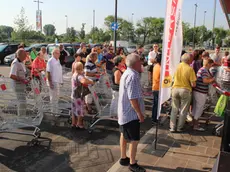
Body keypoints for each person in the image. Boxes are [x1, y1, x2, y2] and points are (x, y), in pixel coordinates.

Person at [118, 53, 146, 172]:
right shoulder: (133, 76)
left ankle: (124, 157)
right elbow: (133, 98)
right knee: (134, 139)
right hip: (131, 114)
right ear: (136, 64)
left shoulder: (127, 73)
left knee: (124, 135)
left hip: (124, 112)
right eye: (140, 61)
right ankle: (132, 163)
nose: (142, 63)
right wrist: (139, 114)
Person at [170, 53, 197, 132]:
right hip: (185, 90)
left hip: (175, 89)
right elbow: (193, 84)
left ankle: (172, 127)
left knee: (174, 109)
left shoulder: (176, 67)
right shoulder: (190, 69)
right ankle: (179, 128)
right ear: (189, 60)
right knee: (183, 110)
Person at [192, 59, 215, 131]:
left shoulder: (201, 69)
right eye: (211, 64)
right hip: (201, 92)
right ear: (208, 64)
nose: (212, 66)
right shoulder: (204, 71)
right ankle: (196, 125)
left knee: (196, 107)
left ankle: (194, 122)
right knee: (199, 108)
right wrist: (212, 79)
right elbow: (205, 81)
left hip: (197, 91)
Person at [71, 62, 94, 129]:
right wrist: (91, 82)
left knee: (74, 110)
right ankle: (79, 124)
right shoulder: (79, 75)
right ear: (81, 67)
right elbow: (83, 81)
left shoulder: (74, 74)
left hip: (73, 94)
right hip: (78, 96)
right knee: (80, 110)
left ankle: (73, 123)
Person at [9, 49, 29, 116]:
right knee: (22, 102)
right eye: (25, 55)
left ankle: (22, 116)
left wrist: (27, 78)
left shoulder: (21, 62)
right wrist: (21, 79)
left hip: (22, 85)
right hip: (17, 86)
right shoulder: (15, 63)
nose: (26, 56)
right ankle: (21, 117)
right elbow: (11, 75)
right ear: (20, 55)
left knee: (23, 102)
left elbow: (24, 72)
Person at [47, 48, 63, 114]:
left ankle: (56, 110)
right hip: (53, 81)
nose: (59, 54)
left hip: (57, 81)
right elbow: (48, 72)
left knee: (57, 97)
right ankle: (53, 111)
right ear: (53, 54)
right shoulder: (50, 61)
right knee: (53, 97)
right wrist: (50, 82)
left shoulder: (58, 60)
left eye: (59, 53)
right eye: (57, 53)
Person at [151, 54, 161, 124]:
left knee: (155, 104)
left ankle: (154, 118)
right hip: (158, 88)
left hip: (155, 87)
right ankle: (155, 119)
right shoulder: (160, 68)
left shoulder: (156, 66)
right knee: (156, 105)